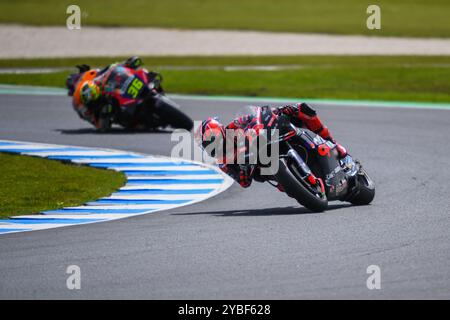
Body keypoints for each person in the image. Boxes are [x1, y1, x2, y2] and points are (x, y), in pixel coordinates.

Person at [195, 103, 347, 189]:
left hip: (267, 138)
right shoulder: (224, 162)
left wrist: (278, 111)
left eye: (211, 141)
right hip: (262, 166)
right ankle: (297, 185)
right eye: (207, 145)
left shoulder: (234, 126)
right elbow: (244, 183)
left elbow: (257, 114)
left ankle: (333, 143)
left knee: (300, 109)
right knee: (283, 186)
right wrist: (242, 168)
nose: (212, 147)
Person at [66, 56, 156, 130]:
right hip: (107, 110)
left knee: (132, 72)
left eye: (77, 78)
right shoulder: (81, 107)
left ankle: (147, 82)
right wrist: (104, 115)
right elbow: (99, 126)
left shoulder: (91, 76)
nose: (77, 81)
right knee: (135, 126)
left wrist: (126, 63)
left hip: (108, 90)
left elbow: (110, 68)